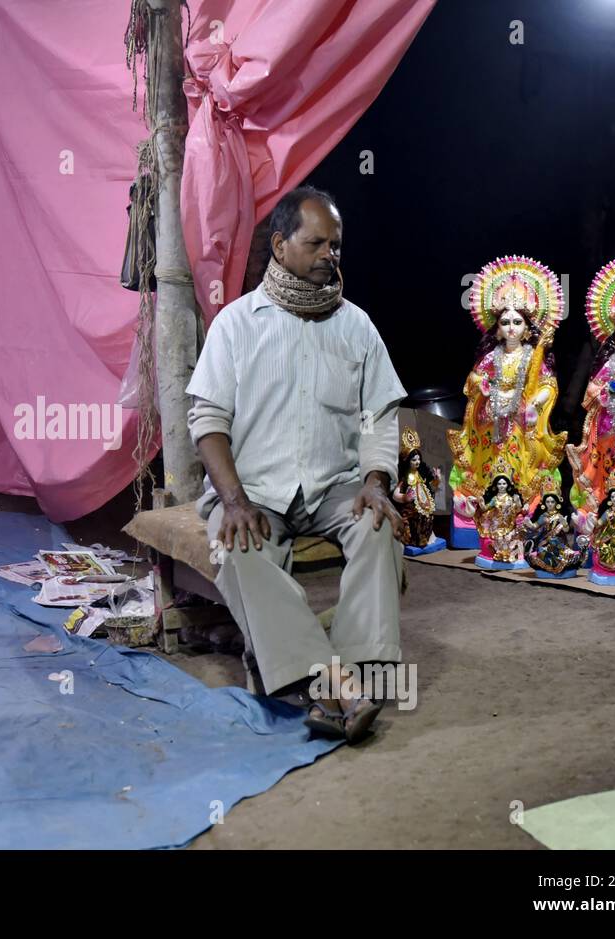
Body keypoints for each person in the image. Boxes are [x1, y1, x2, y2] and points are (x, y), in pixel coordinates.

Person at [186, 186, 406, 743]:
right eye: (316, 243)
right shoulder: (236, 325)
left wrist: (376, 482)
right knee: (239, 549)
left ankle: (345, 679)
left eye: (335, 244)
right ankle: (339, 687)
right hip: (253, 491)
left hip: (334, 488)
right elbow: (206, 421)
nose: (330, 254)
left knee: (377, 527)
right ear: (280, 246)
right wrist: (233, 500)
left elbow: (379, 416)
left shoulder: (357, 326)